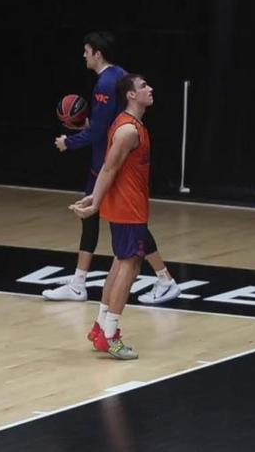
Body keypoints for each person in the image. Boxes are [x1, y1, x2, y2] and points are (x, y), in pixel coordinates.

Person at [44, 31, 179, 306]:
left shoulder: (106, 84)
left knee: (127, 228)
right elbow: (102, 126)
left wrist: (69, 142)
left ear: (97, 53)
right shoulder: (120, 75)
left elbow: (100, 133)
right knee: (105, 222)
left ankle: (163, 280)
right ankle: (80, 283)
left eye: (86, 51)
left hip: (109, 164)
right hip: (115, 160)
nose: (83, 56)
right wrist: (86, 128)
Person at [70, 74, 159, 360]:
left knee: (119, 264)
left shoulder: (131, 125)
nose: (150, 89)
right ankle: (110, 335)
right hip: (128, 208)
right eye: (143, 86)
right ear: (131, 95)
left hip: (128, 206)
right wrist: (94, 202)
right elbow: (108, 169)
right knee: (130, 267)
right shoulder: (128, 131)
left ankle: (100, 328)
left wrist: (96, 198)